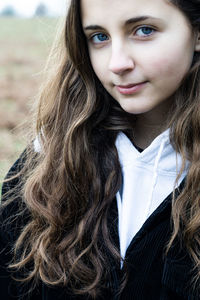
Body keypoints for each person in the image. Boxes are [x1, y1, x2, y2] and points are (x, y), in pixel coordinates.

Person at [1, 0, 200, 299]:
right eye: (99, 37)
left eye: (144, 30)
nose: (116, 63)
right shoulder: (46, 161)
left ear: (196, 32)